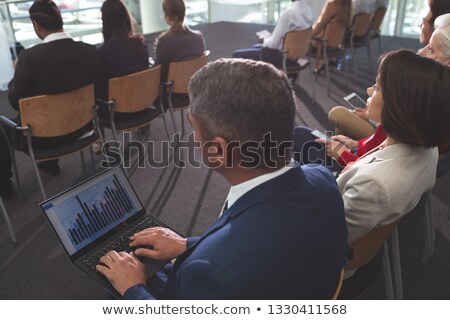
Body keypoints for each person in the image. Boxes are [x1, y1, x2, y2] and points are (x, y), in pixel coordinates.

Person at [96, 59, 348, 299]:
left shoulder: (210, 267)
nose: (193, 139)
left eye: (194, 128)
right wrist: (187, 244)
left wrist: (133, 289)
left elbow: (229, 260)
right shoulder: (324, 178)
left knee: (118, 277)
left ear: (218, 150)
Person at [333, 49, 450, 245]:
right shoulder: (428, 149)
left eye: (377, 88)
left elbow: (331, 235)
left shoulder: (374, 185)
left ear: (399, 106)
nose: (369, 91)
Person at [0, 0, 102, 195]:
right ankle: (49, 162)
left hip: (43, 139)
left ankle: (4, 186)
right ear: (60, 20)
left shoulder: (29, 58)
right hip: (84, 128)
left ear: (36, 26)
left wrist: (17, 74)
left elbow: (14, 102)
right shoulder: (89, 51)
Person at [232, 0, 314, 68]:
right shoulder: (308, 11)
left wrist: (264, 39)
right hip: (295, 56)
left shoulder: (288, 14)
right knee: (256, 47)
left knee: (236, 54)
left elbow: (273, 45)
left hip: (281, 57)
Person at [97, 0, 149, 101]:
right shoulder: (139, 43)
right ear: (126, 18)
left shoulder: (103, 53)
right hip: (144, 102)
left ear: (105, 22)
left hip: (118, 110)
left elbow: (102, 90)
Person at [155, 0, 205, 82]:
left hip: (171, 93)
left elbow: (159, 73)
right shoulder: (198, 37)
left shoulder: (165, 41)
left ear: (167, 17)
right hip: (194, 90)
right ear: (184, 14)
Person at [311, 0, 352, 72]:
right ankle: (327, 61)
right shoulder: (348, 4)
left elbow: (319, 25)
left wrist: (307, 34)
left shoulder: (332, 4)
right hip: (336, 43)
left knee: (299, 41)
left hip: (323, 44)